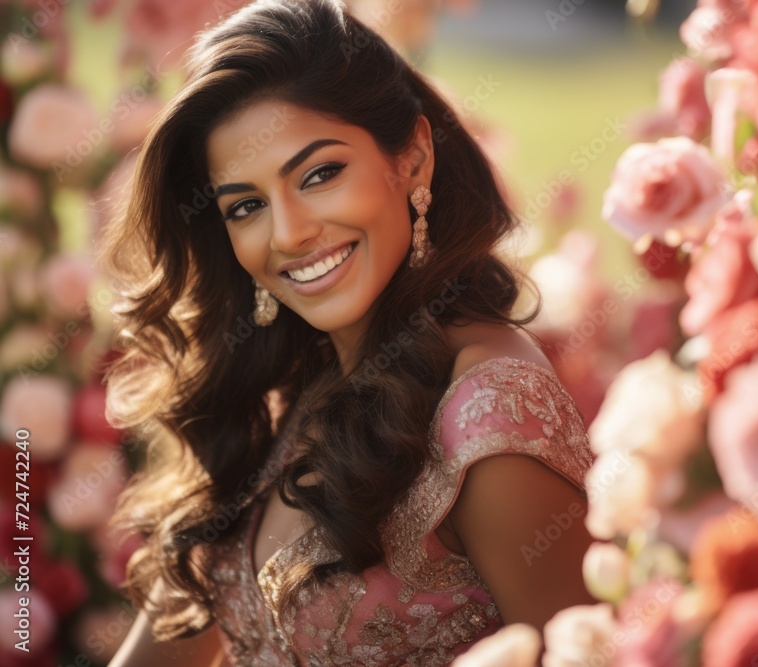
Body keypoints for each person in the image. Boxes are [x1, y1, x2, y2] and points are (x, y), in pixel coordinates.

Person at [99, 0, 598, 664]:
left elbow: (590, 650)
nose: (289, 233)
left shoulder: (490, 414)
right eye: (246, 205)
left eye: (319, 174)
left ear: (414, 158)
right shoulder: (291, 383)